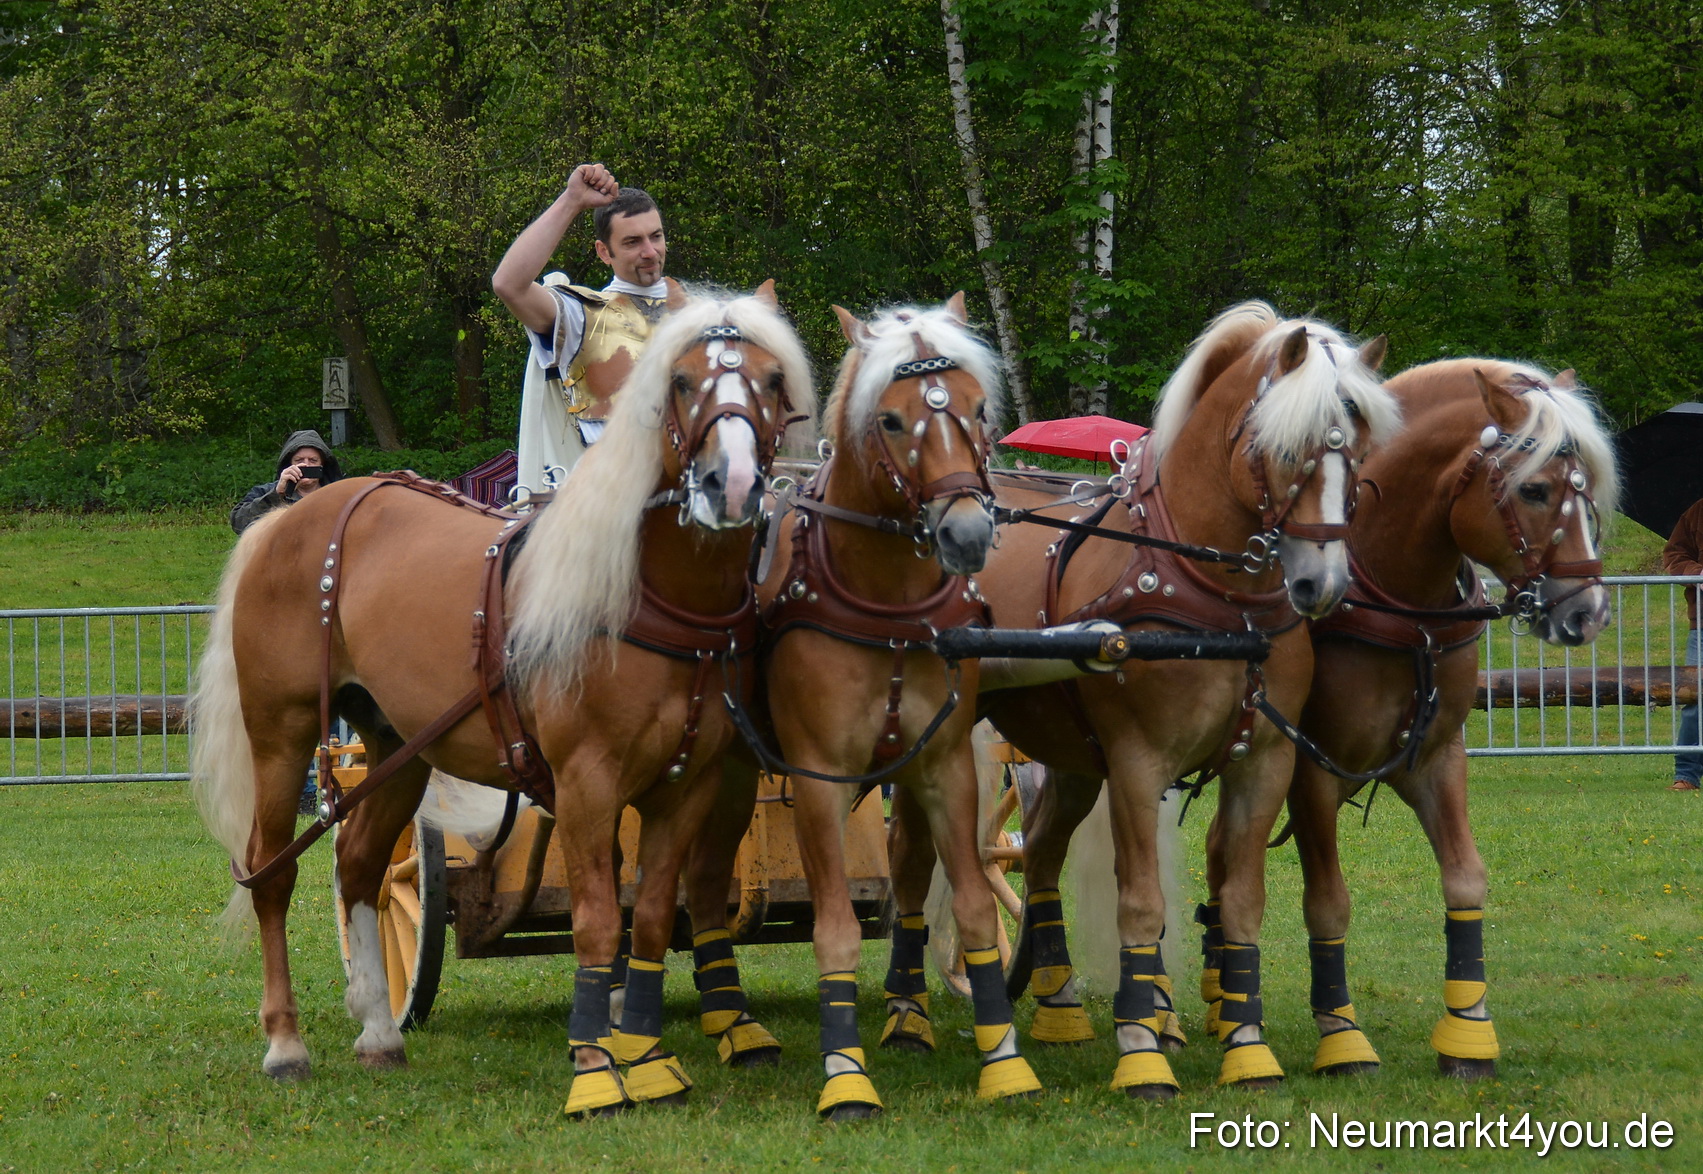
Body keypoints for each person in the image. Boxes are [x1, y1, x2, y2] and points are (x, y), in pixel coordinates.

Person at [491, 163, 680, 497]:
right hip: (614, 501)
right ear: (604, 251)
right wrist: (571, 200)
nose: (650, 252)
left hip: (703, 493)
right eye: (633, 242)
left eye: (656, 236)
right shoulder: (581, 314)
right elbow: (509, 285)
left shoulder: (703, 314)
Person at [1662, 497, 1703, 792]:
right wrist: (1697, 574)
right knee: (1695, 699)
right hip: (1702, 625)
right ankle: (1687, 774)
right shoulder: (1697, 512)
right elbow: (1674, 555)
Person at [230, 430, 342, 535]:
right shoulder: (265, 491)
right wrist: (277, 494)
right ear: (289, 465)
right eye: (299, 460)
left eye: (313, 460)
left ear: (322, 465)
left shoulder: (338, 494)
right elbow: (238, 524)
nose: (306, 465)